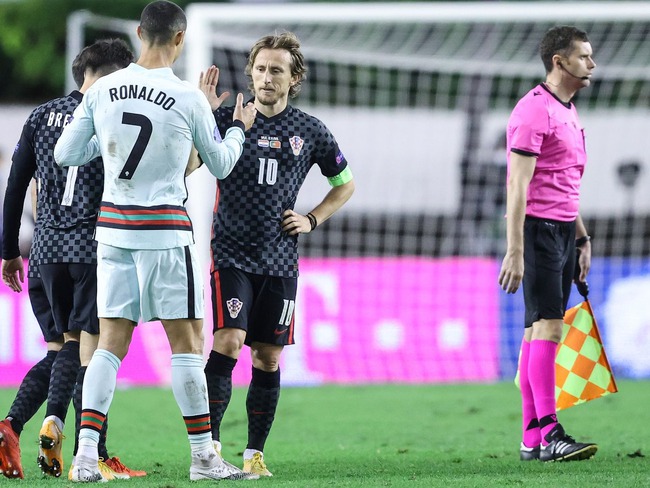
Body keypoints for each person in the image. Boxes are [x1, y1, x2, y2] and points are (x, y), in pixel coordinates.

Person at [54, 0, 257, 482]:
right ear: (180, 39)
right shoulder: (187, 97)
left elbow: (67, 153)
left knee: (109, 344)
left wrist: (101, 147)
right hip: (165, 232)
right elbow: (223, 164)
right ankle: (204, 459)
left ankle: (85, 458)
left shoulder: (102, 89)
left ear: (140, 34)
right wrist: (237, 129)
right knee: (187, 343)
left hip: (113, 231)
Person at [199, 31, 355, 477]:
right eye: (261, 69)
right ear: (251, 72)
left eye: (277, 71)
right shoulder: (228, 116)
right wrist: (206, 117)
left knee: (267, 358)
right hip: (230, 252)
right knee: (228, 340)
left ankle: (254, 454)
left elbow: (345, 184)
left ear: (294, 78)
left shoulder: (310, 130)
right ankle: (208, 447)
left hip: (280, 259)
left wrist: (312, 219)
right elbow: (191, 159)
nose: (267, 78)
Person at [0, 39, 141, 480]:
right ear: (116, 75)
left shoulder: (41, 115)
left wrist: (8, 251)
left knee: (62, 348)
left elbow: (16, 185)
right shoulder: (115, 116)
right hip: (94, 249)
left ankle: (11, 425)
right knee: (91, 352)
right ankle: (76, 438)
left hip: (44, 253)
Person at [498, 25, 598, 463]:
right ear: (560, 62)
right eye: (584, 57)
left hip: (561, 232)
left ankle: (531, 439)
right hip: (536, 232)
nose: (591, 64)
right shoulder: (533, 111)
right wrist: (515, 248)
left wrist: (582, 239)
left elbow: (564, 183)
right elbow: (517, 187)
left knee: (534, 332)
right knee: (548, 329)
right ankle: (551, 431)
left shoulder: (569, 111)